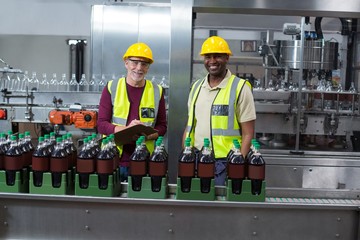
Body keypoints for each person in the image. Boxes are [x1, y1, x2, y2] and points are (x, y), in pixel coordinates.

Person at [183, 36, 256, 186]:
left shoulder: (240, 88)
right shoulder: (196, 87)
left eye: (217, 56)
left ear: (227, 57)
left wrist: (238, 165)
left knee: (220, 207)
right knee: (195, 203)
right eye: (208, 57)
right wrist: (186, 153)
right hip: (196, 158)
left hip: (224, 162)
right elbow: (190, 125)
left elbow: (248, 133)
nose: (212, 61)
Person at [97, 42, 167, 181]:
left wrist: (145, 134)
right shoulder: (112, 87)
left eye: (144, 64)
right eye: (134, 62)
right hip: (114, 158)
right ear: (126, 63)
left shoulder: (156, 91)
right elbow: (101, 124)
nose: (139, 68)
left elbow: (162, 127)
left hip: (145, 160)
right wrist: (127, 130)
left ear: (148, 68)